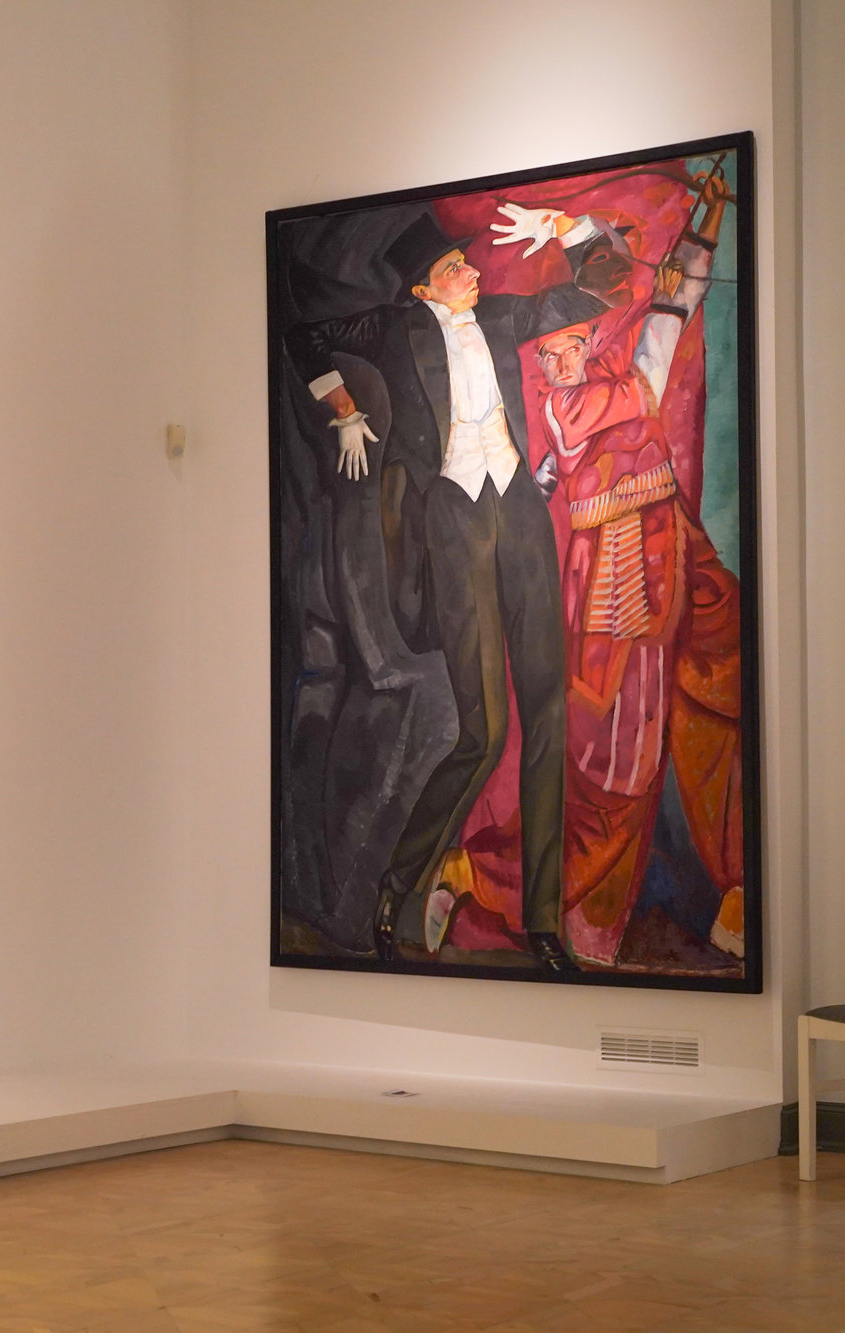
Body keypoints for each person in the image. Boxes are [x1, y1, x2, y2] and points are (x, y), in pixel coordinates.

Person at [286, 205, 612, 972]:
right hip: (451, 521)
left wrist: (566, 228)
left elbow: (602, 289)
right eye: (454, 267)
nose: (471, 271)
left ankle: (542, 922)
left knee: (548, 712)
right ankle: (397, 886)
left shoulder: (500, 316)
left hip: (518, 511)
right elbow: (304, 338)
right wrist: (343, 410)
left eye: (466, 262)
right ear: (424, 290)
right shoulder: (393, 330)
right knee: (483, 733)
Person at [531, 170, 746, 965]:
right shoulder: (574, 402)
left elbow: (672, 307)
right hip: (617, 573)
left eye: (572, 342)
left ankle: (740, 883)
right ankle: (587, 914)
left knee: (726, 683)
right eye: (551, 348)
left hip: (673, 545)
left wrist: (705, 222)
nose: (564, 355)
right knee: (617, 748)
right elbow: (661, 335)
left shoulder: (615, 359)